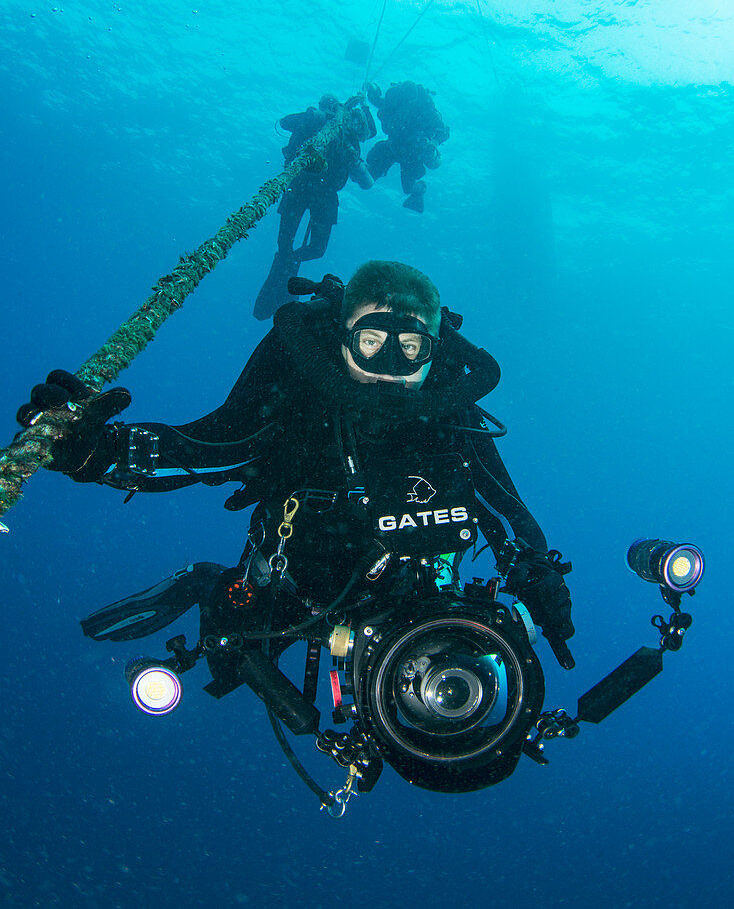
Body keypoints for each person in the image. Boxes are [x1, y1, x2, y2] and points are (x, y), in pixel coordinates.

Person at [16, 261, 573, 678]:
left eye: (409, 348)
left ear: (435, 349)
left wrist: (534, 567)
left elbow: (505, 505)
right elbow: (208, 449)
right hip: (297, 587)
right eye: (372, 342)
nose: (388, 368)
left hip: (416, 597)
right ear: (341, 338)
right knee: (230, 667)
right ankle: (208, 586)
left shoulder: (453, 417)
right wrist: (96, 451)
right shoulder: (300, 403)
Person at [253, 95, 375, 321]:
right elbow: (284, 123)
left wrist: (359, 112)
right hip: (299, 187)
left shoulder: (347, 134)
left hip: (324, 195)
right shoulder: (312, 121)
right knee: (285, 244)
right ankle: (283, 272)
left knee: (316, 249)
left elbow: (366, 168)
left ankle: (287, 268)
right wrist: (316, 117)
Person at [365, 82, 450, 213]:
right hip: (394, 146)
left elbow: (444, 131)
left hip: (414, 151)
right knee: (368, 176)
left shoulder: (426, 108)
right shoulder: (394, 101)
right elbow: (379, 102)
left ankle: (420, 188)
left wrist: (433, 144)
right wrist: (372, 91)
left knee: (408, 187)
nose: (408, 106)